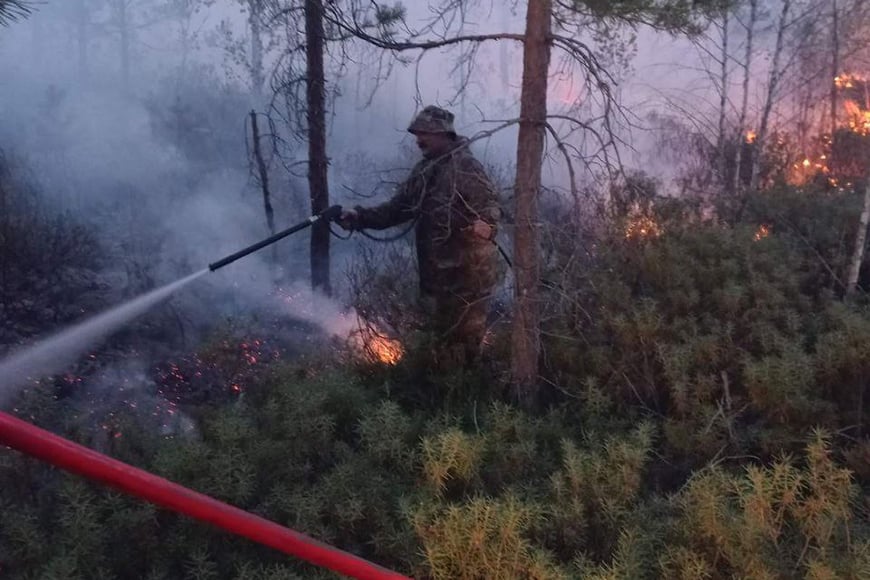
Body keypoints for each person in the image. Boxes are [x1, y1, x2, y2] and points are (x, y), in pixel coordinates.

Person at [337, 105, 502, 366]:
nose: (418, 140)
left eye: (424, 133)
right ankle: (439, 397)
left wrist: (487, 225)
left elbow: (490, 207)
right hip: (437, 280)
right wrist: (359, 218)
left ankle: (470, 398)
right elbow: (396, 209)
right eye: (417, 134)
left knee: (465, 351)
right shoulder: (424, 170)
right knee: (439, 348)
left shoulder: (466, 167)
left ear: (442, 133)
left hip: (467, 282)